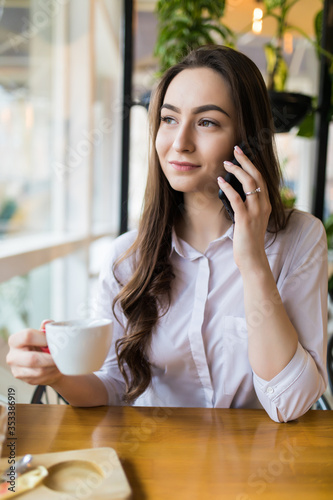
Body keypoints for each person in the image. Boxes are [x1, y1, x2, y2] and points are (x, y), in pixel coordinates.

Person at [7, 46, 328, 422]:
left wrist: (254, 263)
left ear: (246, 138)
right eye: (169, 119)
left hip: (255, 468)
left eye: (207, 122)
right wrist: (58, 374)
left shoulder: (300, 238)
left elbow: (289, 404)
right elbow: (113, 386)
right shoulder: (126, 256)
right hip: (156, 463)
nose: (180, 142)